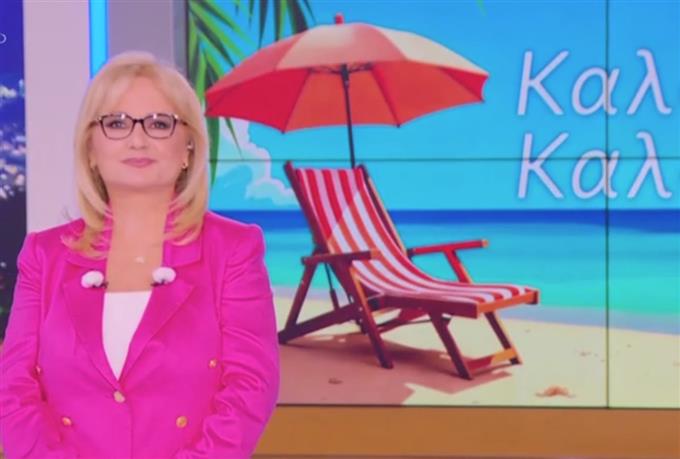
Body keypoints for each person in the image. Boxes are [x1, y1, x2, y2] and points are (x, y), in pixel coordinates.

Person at [0, 51, 279, 459]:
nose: (137, 139)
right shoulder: (44, 255)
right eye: (116, 123)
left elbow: (251, 386)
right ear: (90, 149)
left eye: (159, 123)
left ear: (188, 148)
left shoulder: (234, 250)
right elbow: (12, 389)